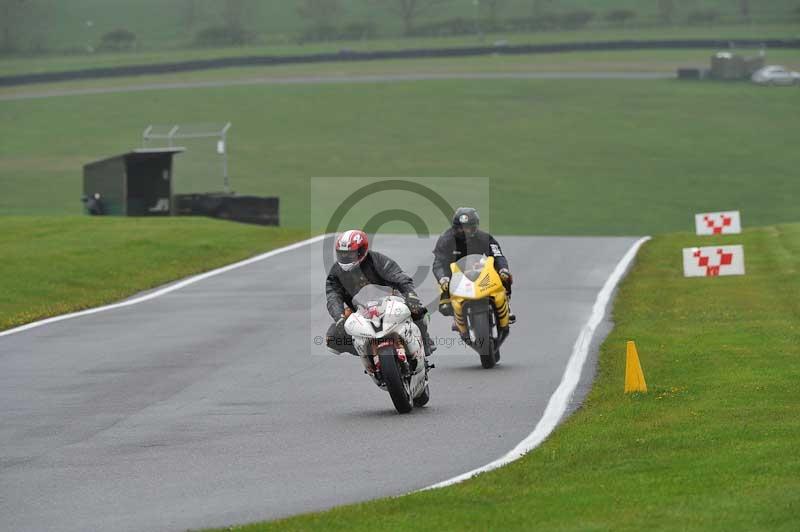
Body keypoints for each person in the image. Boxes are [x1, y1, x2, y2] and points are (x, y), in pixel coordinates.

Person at [325, 230, 434, 364]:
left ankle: (425, 340)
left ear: (362, 251)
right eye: (342, 254)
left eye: (350, 254)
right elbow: (333, 296)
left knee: (419, 310)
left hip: (391, 302)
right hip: (359, 310)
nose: (346, 258)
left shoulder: (377, 260)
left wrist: (410, 295)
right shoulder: (336, 272)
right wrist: (339, 318)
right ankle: (366, 351)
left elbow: (399, 277)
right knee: (332, 338)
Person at [432, 207, 515, 323]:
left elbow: (498, 255)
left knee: (505, 276)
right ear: (455, 227)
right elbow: (439, 262)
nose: (465, 231)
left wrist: (503, 269)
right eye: (461, 228)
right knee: (445, 307)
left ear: (475, 226)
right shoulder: (445, 240)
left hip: (479, 269)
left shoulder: (485, 238)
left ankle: (506, 303)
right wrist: (443, 278)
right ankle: (458, 315)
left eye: (469, 227)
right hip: (455, 274)